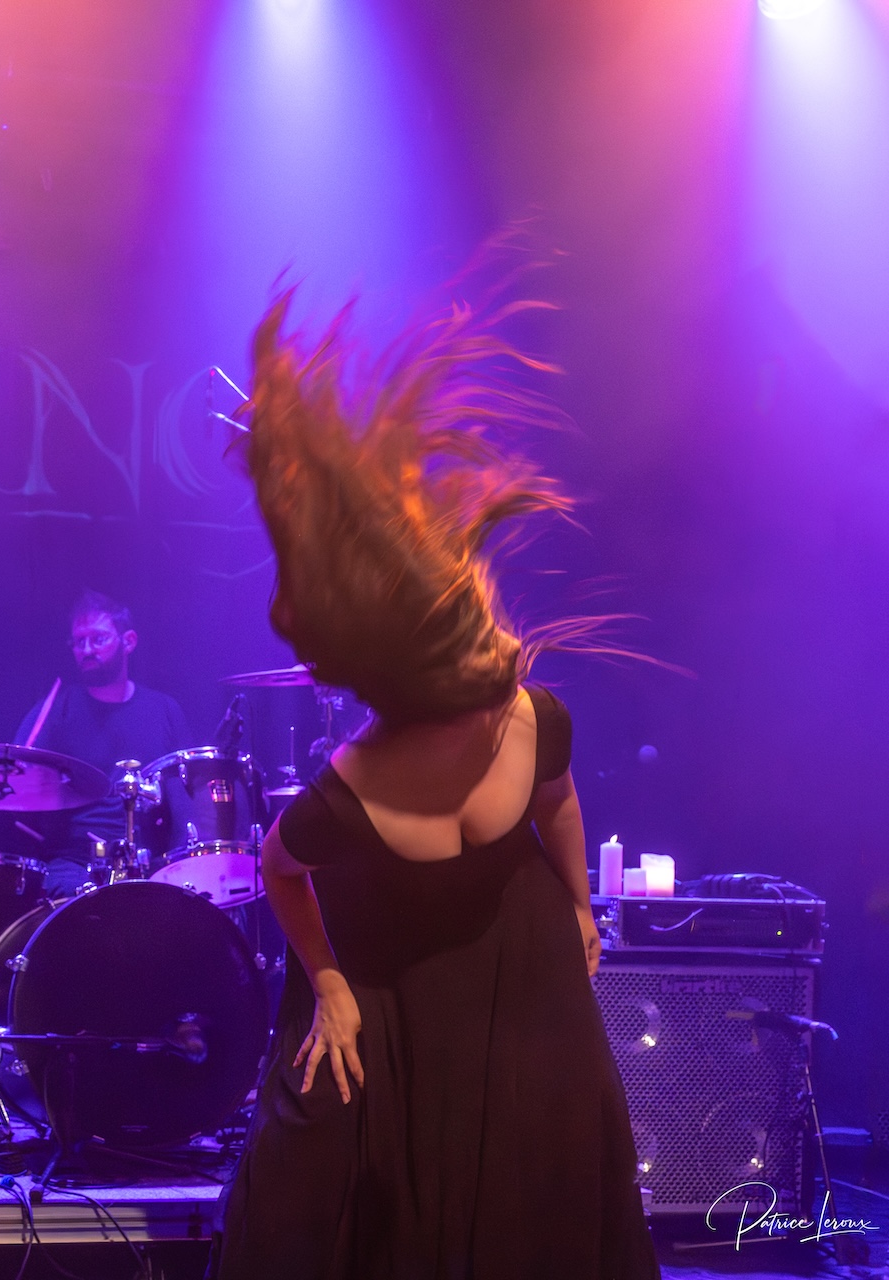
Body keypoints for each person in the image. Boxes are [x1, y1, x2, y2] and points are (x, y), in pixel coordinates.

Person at [210, 292, 658, 1278]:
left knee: (546, 1157)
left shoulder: (537, 716)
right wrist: (328, 983)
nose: (509, 664)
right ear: (430, 692)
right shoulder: (353, 783)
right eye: (485, 665)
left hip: (520, 956)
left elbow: (559, 802)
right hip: (386, 966)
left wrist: (580, 902)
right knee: (324, 1162)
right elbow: (278, 869)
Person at [14, 591, 193, 895]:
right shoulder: (58, 708)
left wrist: (183, 864)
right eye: (79, 642)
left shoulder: (164, 710)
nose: (86, 650)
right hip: (74, 862)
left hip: (152, 861)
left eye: (98, 639)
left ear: (128, 641)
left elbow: (185, 801)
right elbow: (16, 773)